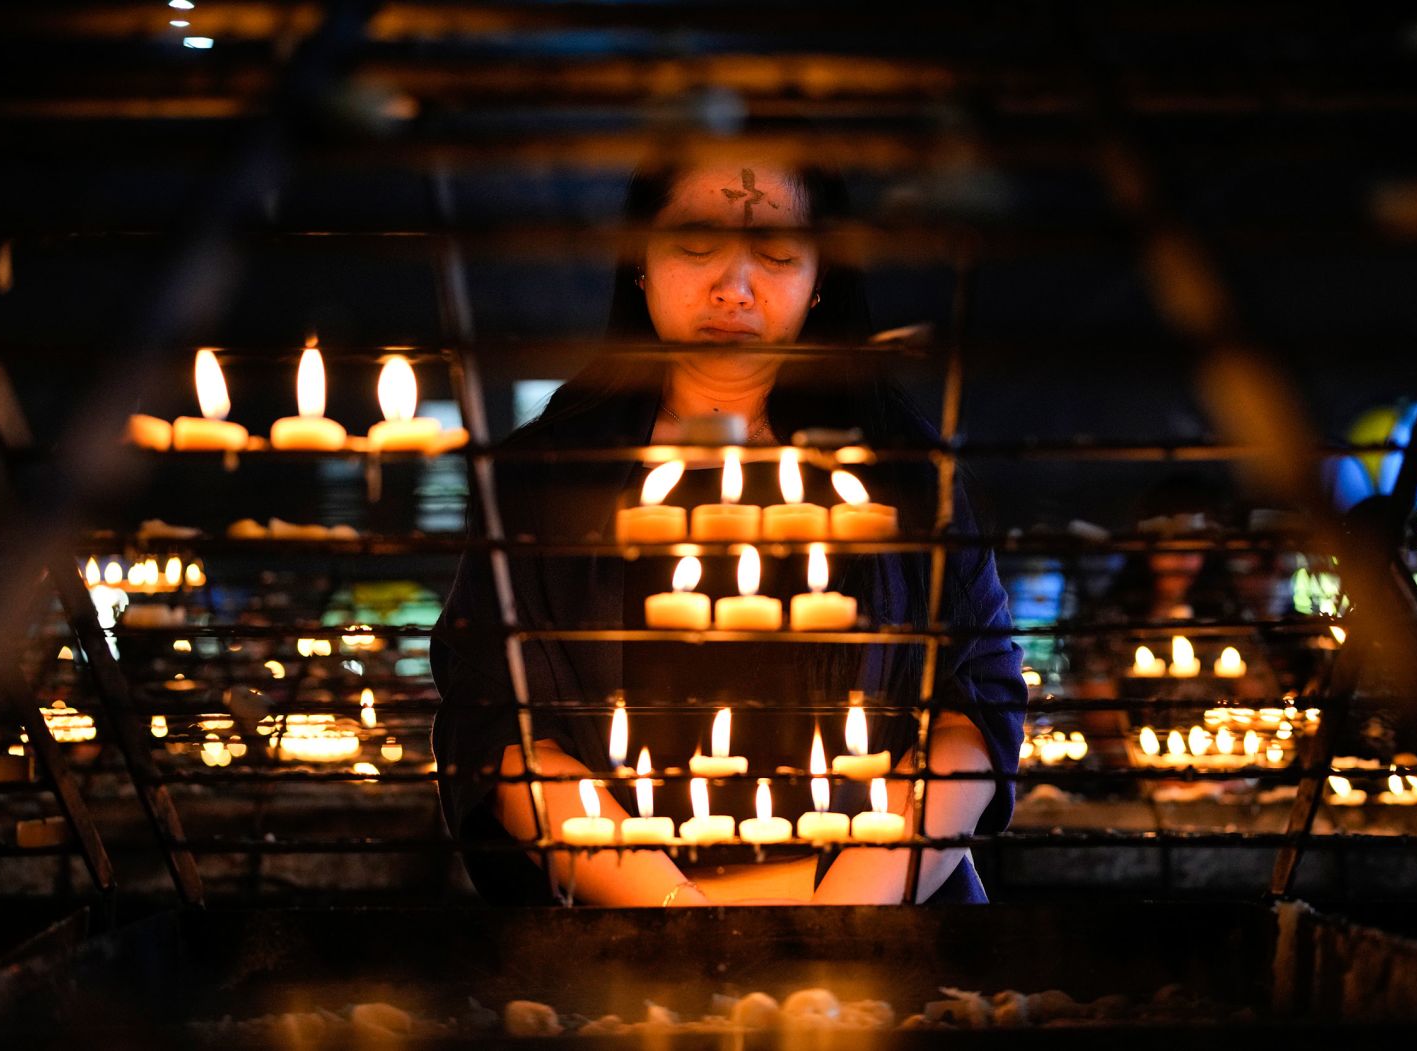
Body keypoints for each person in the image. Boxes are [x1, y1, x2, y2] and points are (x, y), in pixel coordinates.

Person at [431, 157, 1025, 907]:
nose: (733, 289)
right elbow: (497, 726)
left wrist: (843, 920)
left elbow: (976, 698)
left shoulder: (907, 476)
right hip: (620, 927)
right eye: (696, 244)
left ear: (820, 280)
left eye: (776, 256)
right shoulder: (544, 477)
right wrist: (678, 917)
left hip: (889, 919)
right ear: (638, 262)